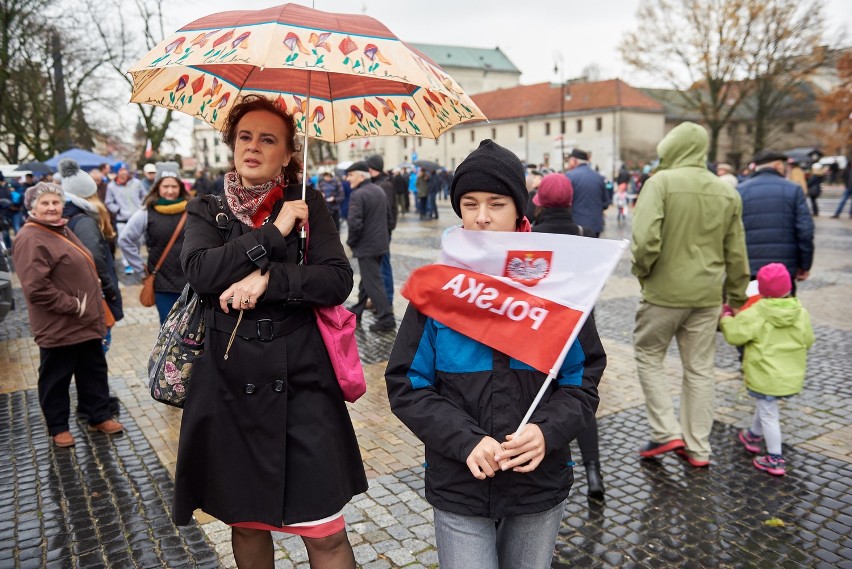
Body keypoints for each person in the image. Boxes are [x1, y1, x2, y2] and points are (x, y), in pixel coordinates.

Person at [385, 140, 606, 568]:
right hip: (460, 480)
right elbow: (407, 385)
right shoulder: (438, 290)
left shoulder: (560, 286)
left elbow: (583, 379)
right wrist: (465, 441)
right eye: (469, 203)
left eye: (496, 203)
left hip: (537, 481)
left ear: (519, 209)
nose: (481, 217)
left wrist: (547, 431)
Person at [174, 94, 367, 569]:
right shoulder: (208, 208)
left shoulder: (309, 203)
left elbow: (337, 280)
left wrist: (271, 279)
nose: (253, 147)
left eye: (267, 139)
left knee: (325, 532)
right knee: (247, 522)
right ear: (231, 144)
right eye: (244, 137)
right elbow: (200, 272)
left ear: (287, 153)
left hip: (302, 384)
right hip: (228, 387)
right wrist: (273, 234)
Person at [631, 121, 750, 468]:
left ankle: (666, 430)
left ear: (670, 148)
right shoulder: (727, 191)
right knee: (700, 369)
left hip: (664, 293)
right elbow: (738, 253)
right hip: (708, 296)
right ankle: (698, 447)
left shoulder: (661, 183)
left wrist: (645, 273)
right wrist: (738, 299)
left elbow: (644, 241)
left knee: (649, 354)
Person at [12, 182, 124, 448]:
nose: (52, 207)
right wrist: (73, 305)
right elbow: (36, 289)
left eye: (55, 202)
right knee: (56, 378)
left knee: (93, 371)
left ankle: (98, 415)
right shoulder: (30, 237)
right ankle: (58, 427)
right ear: (33, 207)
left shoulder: (60, 228)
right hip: (59, 324)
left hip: (85, 321)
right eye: (45, 203)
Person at [530, 173, 604, 499]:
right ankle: (594, 473)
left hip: (538, 326)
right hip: (579, 326)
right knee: (578, 399)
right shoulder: (586, 235)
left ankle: (541, 464)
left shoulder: (529, 237)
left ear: (540, 202)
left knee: (546, 399)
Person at [719, 263, 814, 476]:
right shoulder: (801, 312)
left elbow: (735, 335)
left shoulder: (756, 313)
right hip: (789, 374)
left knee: (769, 412)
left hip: (764, 374)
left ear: (760, 289)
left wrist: (726, 317)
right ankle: (753, 435)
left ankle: (775, 458)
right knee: (766, 405)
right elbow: (808, 340)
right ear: (788, 287)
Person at [59, 159, 124, 342]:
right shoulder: (84, 221)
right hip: (94, 294)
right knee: (100, 345)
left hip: (81, 292)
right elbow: (94, 256)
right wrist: (109, 287)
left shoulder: (68, 215)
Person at [118, 171, 191, 324]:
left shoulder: (193, 210)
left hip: (192, 281)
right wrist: (139, 268)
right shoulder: (146, 212)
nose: (170, 191)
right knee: (168, 329)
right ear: (157, 187)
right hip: (163, 283)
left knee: (194, 330)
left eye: (174, 186)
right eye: (165, 186)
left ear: (180, 188)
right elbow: (125, 240)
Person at [738, 150, 814, 295]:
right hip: (784, 269)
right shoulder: (793, 189)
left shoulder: (741, 190)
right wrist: (804, 265)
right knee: (782, 312)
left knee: (751, 311)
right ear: (778, 165)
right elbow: (805, 231)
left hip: (750, 265)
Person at [344, 161, 395, 332]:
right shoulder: (378, 190)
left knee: (374, 283)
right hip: (380, 244)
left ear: (361, 175)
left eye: (350, 175)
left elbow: (355, 224)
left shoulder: (358, 195)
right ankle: (357, 309)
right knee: (368, 280)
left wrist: (351, 242)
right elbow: (389, 218)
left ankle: (386, 319)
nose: (347, 178)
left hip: (367, 246)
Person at [366, 155, 397, 304]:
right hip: (376, 232)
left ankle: (388, 299)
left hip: (382, 233)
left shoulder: (385, 185)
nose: (368, 170)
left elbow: (389, 211)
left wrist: (386, 230)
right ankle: (378, 299)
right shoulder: (374, 183)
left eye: (370, 167)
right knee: (376, 268)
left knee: (384, 267)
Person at [105, 166, 146, 274]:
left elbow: (145, 196)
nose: (123, 172)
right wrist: (118, 210)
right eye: (120, 170)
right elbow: (108, 202)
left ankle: (137, 264)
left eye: (124, 170)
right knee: (124, 242)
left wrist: (142, 207)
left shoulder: (136, 183)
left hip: (137, 218)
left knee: (138, 242)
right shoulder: (111, 186)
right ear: (117, 172)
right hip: (122, 220)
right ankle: (127, 264)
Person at [565, 149, 608, 237]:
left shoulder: (569, 176)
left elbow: (565, 202)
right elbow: (606, 203)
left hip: (576, 227)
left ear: (574, 160)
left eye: (569, 161)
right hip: (595, 226)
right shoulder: (599, 177)